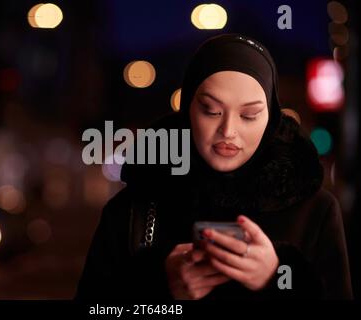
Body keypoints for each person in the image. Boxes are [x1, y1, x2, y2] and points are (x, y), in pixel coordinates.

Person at [75, 34, 353, 300]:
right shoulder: (134, 206)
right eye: (211, 110)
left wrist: (278, 278)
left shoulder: (314, 209)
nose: (228, 130)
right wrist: (160, 287)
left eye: (249, 115)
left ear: (270, 120)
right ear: (187, 110)